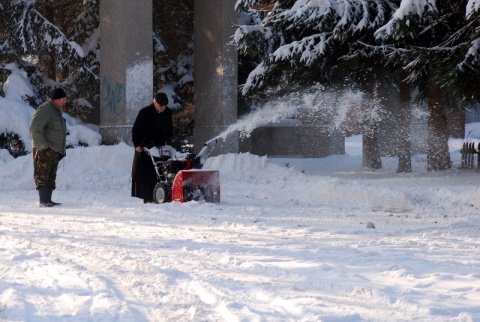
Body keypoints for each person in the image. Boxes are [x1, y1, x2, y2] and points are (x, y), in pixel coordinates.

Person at [131, 92, 173, 203]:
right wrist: (137, 145)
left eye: (164, 106)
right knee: (146, 172)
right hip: (145, 147)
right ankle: (147, 197)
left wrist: (170, 139)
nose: (163, 108)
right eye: (160, 106)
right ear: (155, 102)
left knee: (161, 170)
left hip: (161, 147)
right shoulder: (144, 113)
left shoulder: (167, 113)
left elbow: (170, 128)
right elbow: (136, 130)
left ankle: (163, 193)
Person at [29, 88, 68, 207]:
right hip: (44, 150)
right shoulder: (46, 109)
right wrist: (43, 146)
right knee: (42, 175)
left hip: (54, 150)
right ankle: (43, 201)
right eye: (63, 100)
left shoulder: (57, 111)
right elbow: (35, 128)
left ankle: (48, 200)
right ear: (56, 100)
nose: (65, 102)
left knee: (50, 175)